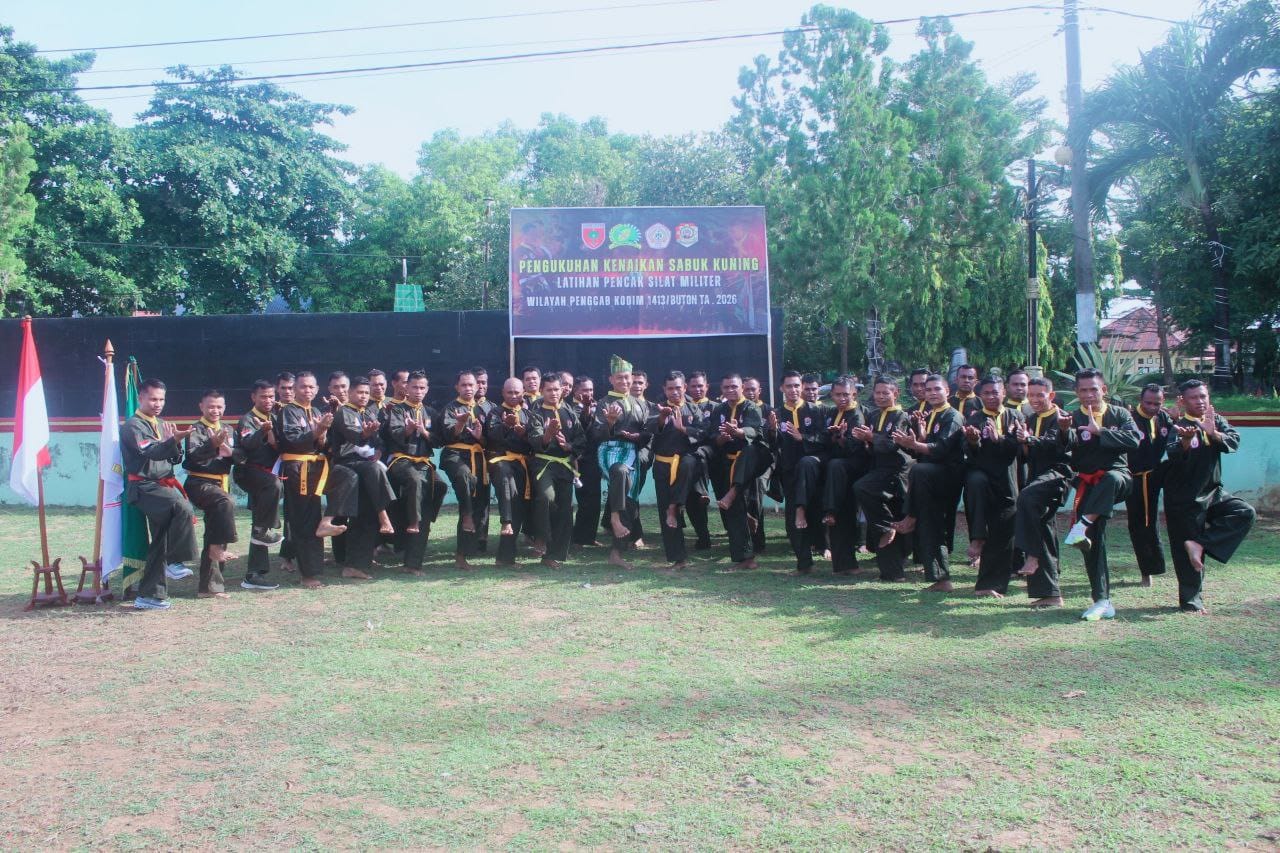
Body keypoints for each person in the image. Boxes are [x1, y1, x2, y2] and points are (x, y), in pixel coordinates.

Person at [1162, 380, 1255, 614]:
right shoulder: (1177, 426)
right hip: (1183, 499)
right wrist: (1185, 442)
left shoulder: (1216, 420)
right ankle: (1191, 602)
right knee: (1184, 554)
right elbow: (1173, 454)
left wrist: (1213, 433)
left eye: (1203, 396)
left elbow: (1233, 441)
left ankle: (1200, 543)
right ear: (1183, 401)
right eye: (1194, 397)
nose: (1200, 401)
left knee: (1244, 512)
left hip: (1213, 492)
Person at [1060, 368, 1141, 621]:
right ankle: (1102, 601)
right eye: (1083, 390)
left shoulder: (1120, 413)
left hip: (1119, 478)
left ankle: (1082, 523)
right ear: (1076, 392)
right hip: (1089, 485)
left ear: (1103, 390)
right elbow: (1064, 451)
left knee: (1110, 478)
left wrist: (1100, 432)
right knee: (1092, 543)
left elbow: (1134, 440)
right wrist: (1063, 432)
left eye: (1093, 389)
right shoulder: (1071, 418)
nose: (1088, 395)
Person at [121, 378, 198, 610]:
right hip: (144, 487)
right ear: (141, 398)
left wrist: (175, 443)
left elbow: (174, 459)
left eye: (162, 399)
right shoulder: (133, 426)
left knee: (160, 540)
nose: (158, 404)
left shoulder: (162, 423)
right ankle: (175, 561)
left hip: (163, 485)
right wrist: (171, 441)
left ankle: (149, 595)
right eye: (153, 399)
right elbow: (152, 452)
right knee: (182, 507)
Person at [890, 374, 964, 590]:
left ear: (947, 391)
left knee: (918, 471)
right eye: (928, 389)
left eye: (936, 389)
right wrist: (918, 440)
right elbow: (925, 447)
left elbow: (941, 450)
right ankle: (940, 580)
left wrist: (914, 445)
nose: (932, 393)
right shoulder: (931, 415)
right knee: (930, 524)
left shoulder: (953, 416)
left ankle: (910, 516)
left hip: (946, 478)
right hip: (929, 480)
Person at [278, 371, 352, 588]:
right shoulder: (288, 411)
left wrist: (323, 434)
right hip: (298, 468)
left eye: (311, 387)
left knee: (347, 476)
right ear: (295, 389)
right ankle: (308, 574)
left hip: (317, 466)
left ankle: (327, 522)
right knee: (304, 519)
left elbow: (323, 444)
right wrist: (318, 430)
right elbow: (292, 440)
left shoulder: (317, 411)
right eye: (303, 386)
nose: (307, 390)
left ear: (317, 389)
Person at [961, 377, 1024, 597]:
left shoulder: (1015, 416)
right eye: (986, 393)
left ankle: (995, 585)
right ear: (980, 395)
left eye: (995, 392)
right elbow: (969, 452)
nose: (991, 397)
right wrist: (973, 441)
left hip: (1008, 480)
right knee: (983, 516)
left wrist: (1000, 440)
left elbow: (1019, 449)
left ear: (1003, 392)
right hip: (983, 480)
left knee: (1004, 532)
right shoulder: (975, 418)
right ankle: (983, 581)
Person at [1013, 377, 1072, 607]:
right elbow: (1028, 454)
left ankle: (1033, 553)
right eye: (1031, 395)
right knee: (1044, 528)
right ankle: (1051, 594)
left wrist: (1029, 439)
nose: (1035, 399)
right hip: (1036, 478)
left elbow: (1055, 445)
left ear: (1051, 395)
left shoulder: (1062, 418)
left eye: (1040, 395)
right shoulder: (1030, 419)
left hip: (1057, 476)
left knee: (1025, 498)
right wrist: (1022, 442)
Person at [332, 377, 397, 579]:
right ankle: (383, 514)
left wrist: (379, 450)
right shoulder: (343, 412)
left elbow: (379, 440)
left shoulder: (368, 412)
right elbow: (353, 436)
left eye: (366, 393)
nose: (363, 396)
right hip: (347, 464)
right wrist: (365, 434)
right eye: (360, 392)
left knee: (365, 515)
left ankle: (356, 564)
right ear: (350, 393)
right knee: (375, 470)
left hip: (365, 465)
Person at [385, 371, 447, 574]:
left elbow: (439, 441)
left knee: (440, 486)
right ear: (407, 388)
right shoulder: (397, 409)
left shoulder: (431, 412)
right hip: (401, 460)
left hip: (423, 463)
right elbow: (393, 435)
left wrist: (424, 431)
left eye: (422, 388)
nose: (418, 391)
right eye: (414, 387)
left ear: (427, 390)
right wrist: (409, 430)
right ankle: (413, 520)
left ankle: (413, 562)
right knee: (414, 481)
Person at [768, 370, 829, 574]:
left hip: (814, 470)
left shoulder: (817, 411)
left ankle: (826, 547)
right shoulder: (776, 414)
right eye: (789, 386)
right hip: (789, 471)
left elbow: (825, 439)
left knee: (817, 510)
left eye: (796, 385)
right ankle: (804, 564)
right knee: (793, 516)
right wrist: (772, 430)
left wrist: (802, 437)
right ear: (781, 388)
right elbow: (772, 444)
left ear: (801, 387)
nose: (793, 390)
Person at [851, 377, 912, 580]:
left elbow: (892, 445)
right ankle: (892, 573)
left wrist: (871, 438)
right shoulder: (874, 415)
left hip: (896, 473)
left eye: (886, 393)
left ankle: (889, 533)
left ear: (896, 394)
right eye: (877, 392)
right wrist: (863, 440)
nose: (881, 396)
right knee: (884, 523)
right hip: (878, 470)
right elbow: (872, 447)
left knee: (862, 487)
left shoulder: (902, 416)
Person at [183, 389, 240, 599]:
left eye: (219, 407)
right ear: (201, 407)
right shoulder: (195, 430)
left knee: (216, 528)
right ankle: (219, 547)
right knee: (225, 502)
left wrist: (230, 451)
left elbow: (239, 456)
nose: (215, 410)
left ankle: (208, 588)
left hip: (220, 483)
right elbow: (192, 457)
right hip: (199, 483)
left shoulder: (228, 429)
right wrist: (212, 444)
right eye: (210, 406)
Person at [593, 355, 648, 570]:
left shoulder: (639, 403)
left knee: (630, 500)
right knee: (619, 471)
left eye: (627, 377)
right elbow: (596, 434)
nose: (624, 381)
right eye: (619, 378)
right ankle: (614, 518)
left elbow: (647, 432)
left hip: (631, 453)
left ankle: (616, 553)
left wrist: (638, 437)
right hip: (610, 450)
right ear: (611, 379)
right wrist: (609, 423)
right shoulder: (604, 403)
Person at [645, 370, 704, 569]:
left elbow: (704, 433)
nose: (675, 392)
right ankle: (678, 558)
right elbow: (649, 428)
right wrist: (662, 418)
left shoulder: (694, 408)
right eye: (670, 388)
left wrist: (683, 429)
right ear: (664, 389)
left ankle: (676, 506)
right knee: (666, 513)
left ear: (685, 387)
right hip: (663, 464)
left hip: (686, 466)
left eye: (678, 387)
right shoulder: (656, 408)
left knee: (689, 466)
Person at [705, 373, 763, 570]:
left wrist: (738, 432)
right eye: (726, 387)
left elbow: (754, 431)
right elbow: (712, 435)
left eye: (734, 386)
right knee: (731, 510)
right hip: (724, 464)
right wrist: (721, 438)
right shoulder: (718, 409)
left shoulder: (751, 407)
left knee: (737, 506)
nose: (730, 390)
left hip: (746, 464)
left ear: (742, 387)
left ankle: (747, 558)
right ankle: (745, 545)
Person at [529, 374, 587, 569]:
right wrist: (548, 434)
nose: (553, 393)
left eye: (556, 389)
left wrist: (568, 446)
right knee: (547, 497)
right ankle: (541, 539)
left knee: (564, 509)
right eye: (549, 390)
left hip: (564, 465)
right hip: (544, 464)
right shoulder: (536, 413)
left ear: (562, 390)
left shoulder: (569, 412)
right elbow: (534, 440)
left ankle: (554, 555)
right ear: (541, 391)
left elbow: (581, 440)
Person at [233, 380, 282, 591]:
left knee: (260, 523)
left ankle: (255, 574)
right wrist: (262, 431)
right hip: (251, 474)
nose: (268, 400)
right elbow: (248, 444)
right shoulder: (248, 419)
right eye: (263, 396)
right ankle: (254, 571)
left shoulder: (276, 417)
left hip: (271, 475)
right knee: (261, 524)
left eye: (271, 396)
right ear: (253, 397)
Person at [821, 376, 870, 575]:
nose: (842, 398)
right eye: (838, 394)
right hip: (836, 474)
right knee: (841, 519)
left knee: (845, 513)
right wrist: (833, 437)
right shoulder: (831, 413)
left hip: (854, 469)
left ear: (854, 394)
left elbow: (854, 447)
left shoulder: (858, 414)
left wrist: (841, 438)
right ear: (831, 395)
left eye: (846, 395)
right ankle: (843, 566)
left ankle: (830, 509)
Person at [440, 370, 489, 569]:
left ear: (477, 387)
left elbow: (490, 439)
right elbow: (447, 435)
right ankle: (467, 515)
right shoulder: (450, 408)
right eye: (464, 385)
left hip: (478, 457)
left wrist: (480, 437)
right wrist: (460, 423)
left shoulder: (485, 409)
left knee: (478, 498)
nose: (468, 388)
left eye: (471, 385)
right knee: (464, 476)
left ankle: (463, 554)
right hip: (455, 455)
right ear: (457, 387)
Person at [1127, 383, 1175, 586]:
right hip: (1133, 478)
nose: (1153, 407)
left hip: (1155, 476)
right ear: (1141, 400)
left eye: (1157, 403)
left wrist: (1177, 420)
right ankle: (1146, 571)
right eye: (1148, 403)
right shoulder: (1129, 418)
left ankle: (1153, 568)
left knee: (1151, 521)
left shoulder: (1164, 418)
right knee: (1138, 523)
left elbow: (1175, 440)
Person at [486, 378, 535, 566]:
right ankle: (505, 522)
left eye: (517, 392)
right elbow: (491, 436)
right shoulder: (495, 412)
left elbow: (535, 441)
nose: (513, 396)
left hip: (522, 464)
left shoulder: (528, 414)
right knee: (511, 496)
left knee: (520, 506)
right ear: (502, 393)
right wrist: (506, 425)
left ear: (523, 392)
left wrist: (524, 434)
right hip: (502, 462)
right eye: (509, 392)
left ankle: (505, 557)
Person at [569, 375, 604, 548]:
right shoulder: (570, 408)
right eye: (584, 390)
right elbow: (581, 425)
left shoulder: (598, 406)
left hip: (594, 457)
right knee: (583, 499)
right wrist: (587, 408)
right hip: (578, 459)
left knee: (594, 499)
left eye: (591, 390)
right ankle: (577, 538)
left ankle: (589, 536)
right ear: (575, 391)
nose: (588, 393)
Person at [682, 370, 715, 551]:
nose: (697, 389)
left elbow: (709, 433)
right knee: (692, 500)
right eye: (693, 386)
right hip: (688, 461)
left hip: (712, 457)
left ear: (707, 386)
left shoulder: (716, 407)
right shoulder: (681, 406)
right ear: (687, 387)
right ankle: (703, 535)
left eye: (700, 386)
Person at [273, 371, 298, 574]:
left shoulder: (302, 410)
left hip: (302, 467)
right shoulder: (272, 411)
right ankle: (287, 556)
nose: (287, 392)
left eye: (291, 388)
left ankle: (301, 552)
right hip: (276, 468)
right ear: (277, 389)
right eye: (284, 388)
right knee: (289, 513)